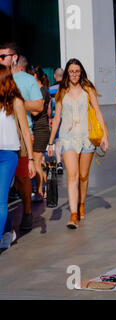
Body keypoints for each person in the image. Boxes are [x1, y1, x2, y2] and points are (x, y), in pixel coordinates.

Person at [48, 58, 109, 229]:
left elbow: (97, 112)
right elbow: (57, 117)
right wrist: (51, 142)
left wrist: (105, 136)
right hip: (67, 138)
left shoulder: (88, 90)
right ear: (67, 73)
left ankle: (81, 204)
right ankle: (73, 214)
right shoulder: (61, 91)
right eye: (71, 71)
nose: (74, 74)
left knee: (83, 176)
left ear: (81, 72)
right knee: (72, 176)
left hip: (87, 138)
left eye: (77, 71)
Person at [0, 43, 43, 235]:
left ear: (14, 57)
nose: (0, 60)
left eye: (3, 57)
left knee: (22, 178)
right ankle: (8, 229)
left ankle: (26, 211)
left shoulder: (26, 80)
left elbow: (39, 106)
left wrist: (15, 102)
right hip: (5, 139)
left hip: (18, 138)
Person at [0, 65, 36, 249]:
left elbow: (25, 130)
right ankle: (7, 233)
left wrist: (31, 159)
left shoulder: (16, 102)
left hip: (9, 155)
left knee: (1, 199)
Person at [30, 66, 51, 201]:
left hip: (40, 129)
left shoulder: (41, 91)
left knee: (37, 162)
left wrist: (22, 104)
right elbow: (48, 112)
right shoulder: (41, 90)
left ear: (35, 76)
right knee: (37, 161)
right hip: (39, 128)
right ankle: (45, 188)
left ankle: (39, 191)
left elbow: (36, 111)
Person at [49, 67, 64, 174]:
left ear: (55, 76)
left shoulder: (51, 89)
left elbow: (49, 106)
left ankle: (59, 162)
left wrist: (49, 117)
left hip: (56, 117)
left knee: (58, 139)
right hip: (67, 117)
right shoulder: (67, 88)